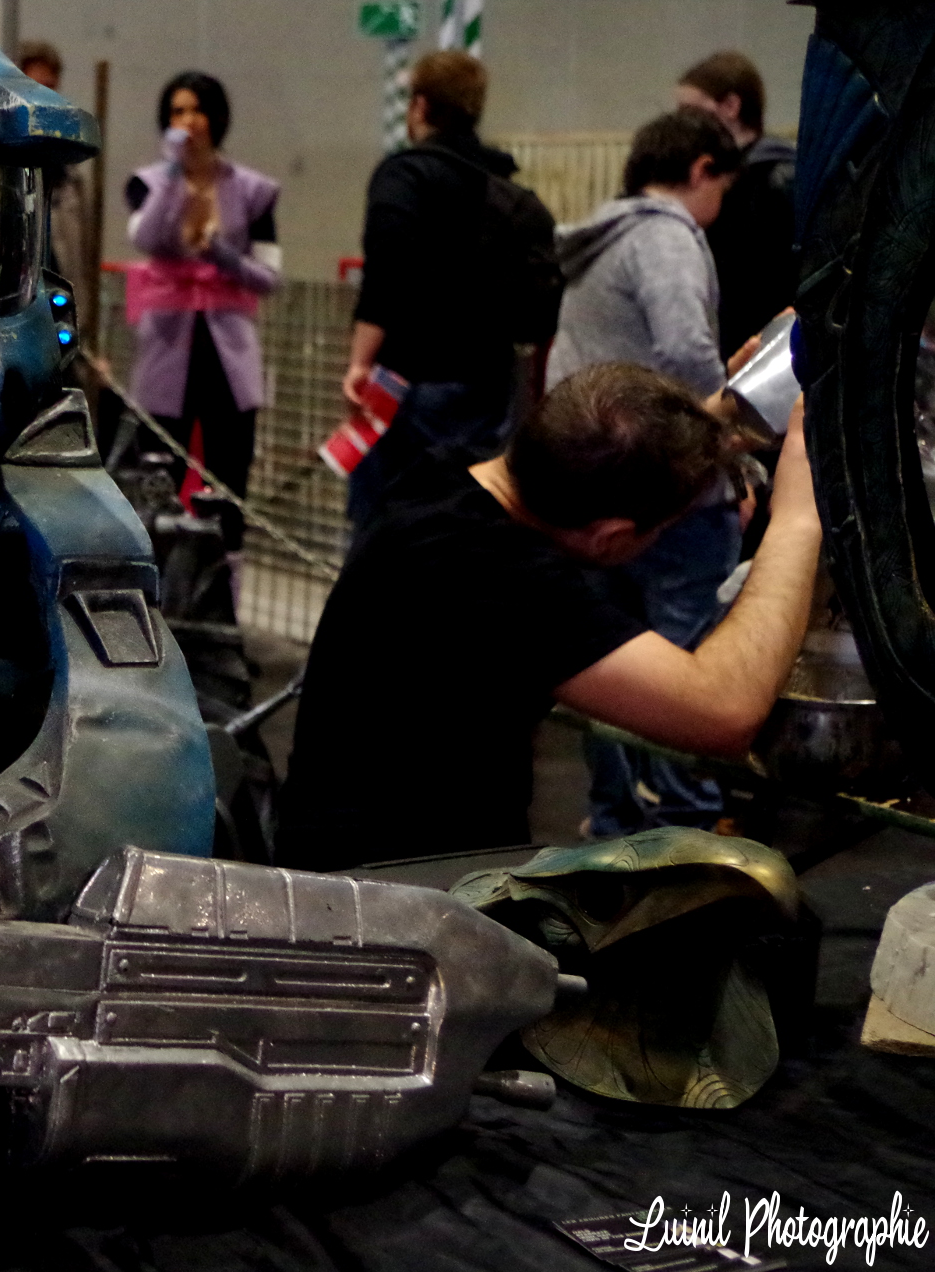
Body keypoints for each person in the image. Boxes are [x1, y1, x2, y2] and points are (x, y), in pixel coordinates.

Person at [274, 363, 818, 869]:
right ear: (612, 537)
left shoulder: (443, 478)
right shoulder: (500, 575)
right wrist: (798, 517)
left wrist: (707, 421)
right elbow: (723, 710)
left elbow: (602, 444)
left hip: (353, 859)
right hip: (391, 898)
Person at [548, 108, 746, 838]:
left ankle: (615, 820)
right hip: (669, 491)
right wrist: (731, 453)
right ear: (701, 170)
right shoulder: (666, 237)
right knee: (685, 663)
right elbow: (685, 353)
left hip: (593, 486)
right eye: (722, 187)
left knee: (608, 661)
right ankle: (686, 829)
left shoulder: (601, 239)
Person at [344, 51, 562, 536]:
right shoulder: (503, 185)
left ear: (420, 106)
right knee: (463, 517)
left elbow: (386, 274)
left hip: (407, 379)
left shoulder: (405, 176)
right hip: (486, 382)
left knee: (385, 523)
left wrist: (360, 363)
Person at [124, 71, 280, 559]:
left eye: (197, 110)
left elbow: (268, 276)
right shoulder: (148, 183)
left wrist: (219, 254)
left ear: (216, 118)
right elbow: (146, 238)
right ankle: (157, 578)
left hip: (228, 349)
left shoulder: (253, 190)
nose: (188, 121)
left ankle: (224, 579)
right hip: (166, 345)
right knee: (157, 472)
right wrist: (173, 172)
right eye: (177, 112)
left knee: (229, 476)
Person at [677, 51, 799, 355]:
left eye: (690, 110)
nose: (680, 123)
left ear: (731, 106)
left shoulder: (779, 178)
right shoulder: (711, 177)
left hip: (765, 338)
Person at [17, 40, 92, 334]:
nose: (43, 100)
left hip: (62, 321)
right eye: (33, 89)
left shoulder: (71, 180)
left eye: (49, 88)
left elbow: (83, 263)